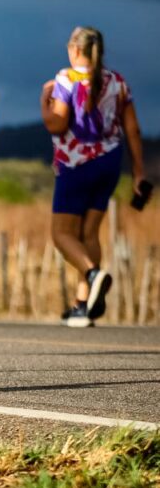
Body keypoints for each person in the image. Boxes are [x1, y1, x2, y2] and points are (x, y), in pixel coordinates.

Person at [41, 26, 147, 327]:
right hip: (109, 161)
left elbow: (57, 124)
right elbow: (133, 129)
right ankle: (83, 304)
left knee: (62, 234)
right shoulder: (117, 81)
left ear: (75, 49)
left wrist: (44, 99)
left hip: (76, 163)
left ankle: (93, 274)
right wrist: (138, 172)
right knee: (89, 233)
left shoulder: (66, 78)